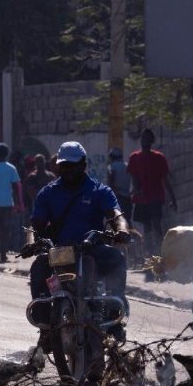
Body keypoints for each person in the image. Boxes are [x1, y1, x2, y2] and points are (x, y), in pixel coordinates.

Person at [28, 141, 129, 338]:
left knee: (116, 258)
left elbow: (116, 216)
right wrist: (31, 241)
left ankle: (114, 315)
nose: (69, 170)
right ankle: (45, 327)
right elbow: (35, 225)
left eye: (73, 165)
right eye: (64, 165)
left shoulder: (99, 191)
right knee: (39, 267)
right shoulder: (48, 193)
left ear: (83, 164)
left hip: (91, 247)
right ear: (58, 166)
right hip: (59, 252)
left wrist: (122, 230)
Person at [128, 129, 176, 257]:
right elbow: (134, 179)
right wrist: (135, 191)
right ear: (141, 140)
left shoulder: (159, 157)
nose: (145, 140)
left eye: (148, 138)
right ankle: (148, 254)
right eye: (144, 138)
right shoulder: (135, 157)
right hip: (142, 197)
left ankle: (161, 253)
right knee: (147, 227)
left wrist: (173, 198)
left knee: (156, 225)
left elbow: (165, 179)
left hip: (155, 196)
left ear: (152, 141)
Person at [106, 147, 131, 223]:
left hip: (118, 197)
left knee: (117, 221)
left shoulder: (111, 167)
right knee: (127, 220)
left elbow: (111, 182)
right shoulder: (127, 166)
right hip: (127, 197)